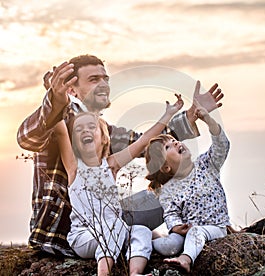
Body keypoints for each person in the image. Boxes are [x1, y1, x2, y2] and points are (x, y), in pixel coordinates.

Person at [17, 54, 224, 256]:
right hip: (65, 233)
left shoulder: (104, 131)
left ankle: (206, 231)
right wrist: (55, 99)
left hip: (106, 220)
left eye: (105, 78)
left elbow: (147, 144)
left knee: (167, 192)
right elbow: (27, 138)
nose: (104, 84)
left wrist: (190, 116)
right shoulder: (59, 121)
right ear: (72, 90)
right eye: (94, 79)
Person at [54, 93, 183, 275]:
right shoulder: (74, 168)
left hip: (117, 231)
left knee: (141, 231)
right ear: (73, 142)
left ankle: (135, 272)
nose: (85, 131)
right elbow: (59, 130)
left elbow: (144, 140)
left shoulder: (111, 165)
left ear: (104, 138)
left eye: (92, 127)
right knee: (115, 226)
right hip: (84, 237)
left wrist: (168, 114)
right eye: (78, 129)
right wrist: (55, 95)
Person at [144, 91, 230, 273]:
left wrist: (208, 120)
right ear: (166, 168)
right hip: (186, 233)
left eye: (174, 141)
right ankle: (145, 244)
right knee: (170, 244)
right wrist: (176, 226)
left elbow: (222, 145)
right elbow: (170, 213)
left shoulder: (206, 165)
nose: (176, 143)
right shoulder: (167, 190)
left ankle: (185, 260)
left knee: (196, 232)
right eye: (168, 147)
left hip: (214, 228)